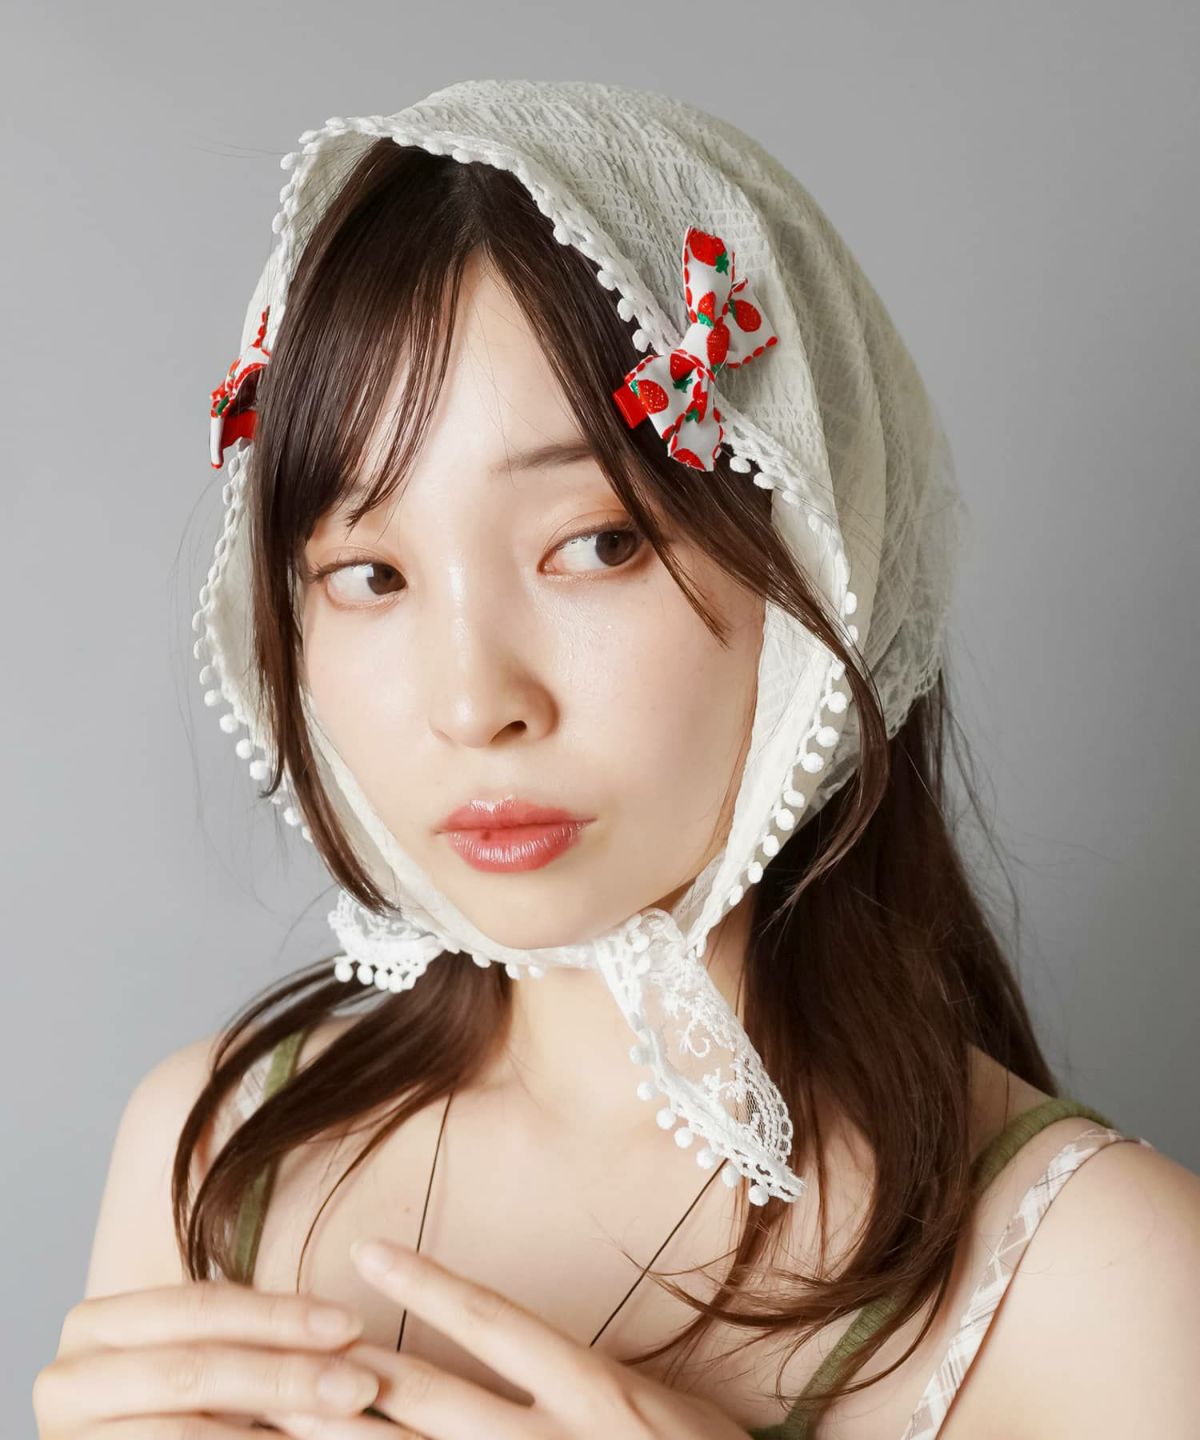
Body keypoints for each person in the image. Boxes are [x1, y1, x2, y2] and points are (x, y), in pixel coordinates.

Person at [36, 80, 1200, 1439]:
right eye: (370, 573)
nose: (473, 702)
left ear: (817, 548)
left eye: (597, 544)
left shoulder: (1106, 1281)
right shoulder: (216, 1155)